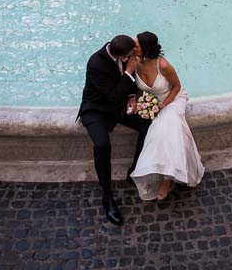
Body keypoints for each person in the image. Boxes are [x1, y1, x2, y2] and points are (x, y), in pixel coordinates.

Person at [77, 35, 150, 226]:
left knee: (148, 125)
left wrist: (133, 96)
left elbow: (127, 86)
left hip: (118, 105)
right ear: (120, 55)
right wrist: (129, 72)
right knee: (102, 145)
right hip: (97, 109)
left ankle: (134, 171)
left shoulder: (122, 51)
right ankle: (107, 196)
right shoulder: (95, 64)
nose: (133, 58)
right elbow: (111, 95)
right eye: (129, 56)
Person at [130, 32, 204, 202]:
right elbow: (140, 88)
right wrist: (141, 102)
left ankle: (167, 179)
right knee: (159, 129)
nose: (133, 48)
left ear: (146, 49)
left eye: (137, 45)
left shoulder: (162, 65)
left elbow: (177, 87)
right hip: (154, 102)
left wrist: (162, 106)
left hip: (173, 99)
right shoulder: (135, 63)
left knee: (167, 126)